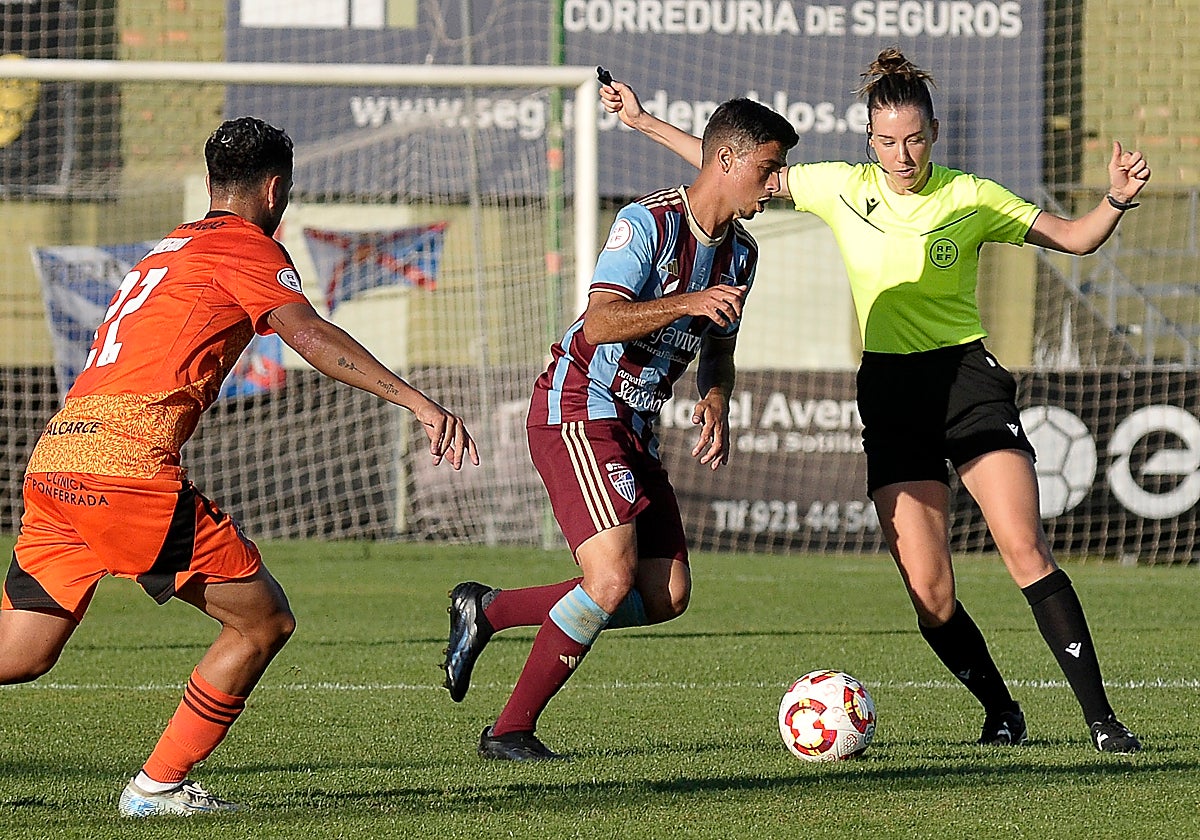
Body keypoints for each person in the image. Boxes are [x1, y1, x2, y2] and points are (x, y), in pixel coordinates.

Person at [598, 49, 1147, 754]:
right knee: (931, 593)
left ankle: (1104, 723)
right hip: (888, 394)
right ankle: (1002, 711)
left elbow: (1074, 238)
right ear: (868, 140)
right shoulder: (839, 186)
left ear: (935, 133)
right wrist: (642, 121)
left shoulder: (970, 197)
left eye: (913, 138)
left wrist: (1116, 199)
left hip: (967, 385)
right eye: (886, 140)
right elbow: (729, 166)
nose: (901, 153)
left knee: (1024, 549)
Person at [0, 116, 479, 816]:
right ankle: (156, 787)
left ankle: (157, 787)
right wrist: (416, 401)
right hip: (123, 468)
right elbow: (309, 333)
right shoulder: (244, 246)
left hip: (59, 457)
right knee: (263, 622)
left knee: (22, 651)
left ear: (209, 183)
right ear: (275, 189)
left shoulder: (167, 249)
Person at [441, 98, 799, 760]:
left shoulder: (742, 255)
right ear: (726, 159)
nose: (776, 185)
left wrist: (715, 398)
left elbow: (718, 349)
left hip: (635, 423)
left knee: (666, 594)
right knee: (608, 579)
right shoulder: (648, 223)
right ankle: (509, 731)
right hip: (580, 404)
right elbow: (601, 322)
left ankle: (488, 610)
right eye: (769, 169)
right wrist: (688, 301)